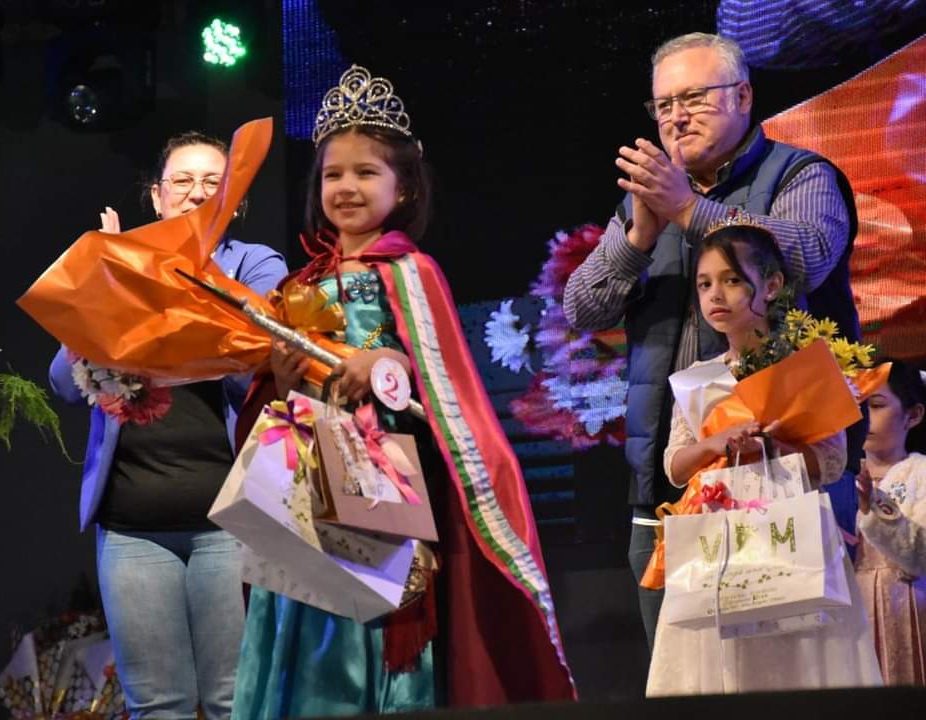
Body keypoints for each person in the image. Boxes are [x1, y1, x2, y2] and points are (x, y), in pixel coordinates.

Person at [231, 65, 576, 718]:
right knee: (303, 632)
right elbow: (269, 404)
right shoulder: (300, 285)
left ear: (405, 185)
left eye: (366, 173)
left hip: (378, 483)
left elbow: (444, 391)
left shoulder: (412, 273)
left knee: (368, 638)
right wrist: (279, 376)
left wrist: (388, 362)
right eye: (333, 174)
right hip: (303, 485)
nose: (347, 188)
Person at [561, 31, 860, 652]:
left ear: (743, 96)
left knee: (798, 669)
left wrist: (689, 210)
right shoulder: (645, 203)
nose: (677, 117)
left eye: (694, 97)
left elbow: (807, 256)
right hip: (670, 480)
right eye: (664, 105)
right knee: (684, 673)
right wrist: (639, 238)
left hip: (787, 478)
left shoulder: (801, 174)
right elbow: (581, 307)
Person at [48, 132, 287, 719]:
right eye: (182, 181)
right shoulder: (119, 265)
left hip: (229, 522)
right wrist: (105, 276)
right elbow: (63, 381)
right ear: (156, 196)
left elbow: (251, 361)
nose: (195, 193)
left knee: (236, 702)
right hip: (133, 529)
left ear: (233, 200)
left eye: (212, 183)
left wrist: (148, 277)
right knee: (156, 706)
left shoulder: (256, 264)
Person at [645, 220, 880, 695]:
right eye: (704, 284)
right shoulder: (698, 378)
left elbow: (830, 463)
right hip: (719, 541)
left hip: (790, 531)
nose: (716, 295)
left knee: (799, 661)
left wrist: (774, 446)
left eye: (732, 280)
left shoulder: (804, 365)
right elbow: (675, 467)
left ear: (771, 285)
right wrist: (716, 443)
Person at [854, 359, 926, 685]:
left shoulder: (920, 473)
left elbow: (921, 555)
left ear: (913, 415)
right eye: (856, 405)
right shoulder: (836, 476)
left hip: (906, 606)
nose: (862, 415)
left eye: (877, 405)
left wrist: (875, 506)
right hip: (851, 612)